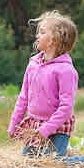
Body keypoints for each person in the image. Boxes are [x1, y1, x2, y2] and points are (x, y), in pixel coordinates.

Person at [8, 10, 79, 158]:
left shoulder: (66, 70)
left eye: (42, 32)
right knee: (26, 164)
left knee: (51, 164)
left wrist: (46, 130)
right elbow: (23, 98)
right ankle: (65, 156)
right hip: (35, 125)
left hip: (58, 127)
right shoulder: (33, 64)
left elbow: (66, 108)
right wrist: (14, 124)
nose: (36, 36)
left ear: (55, 39)